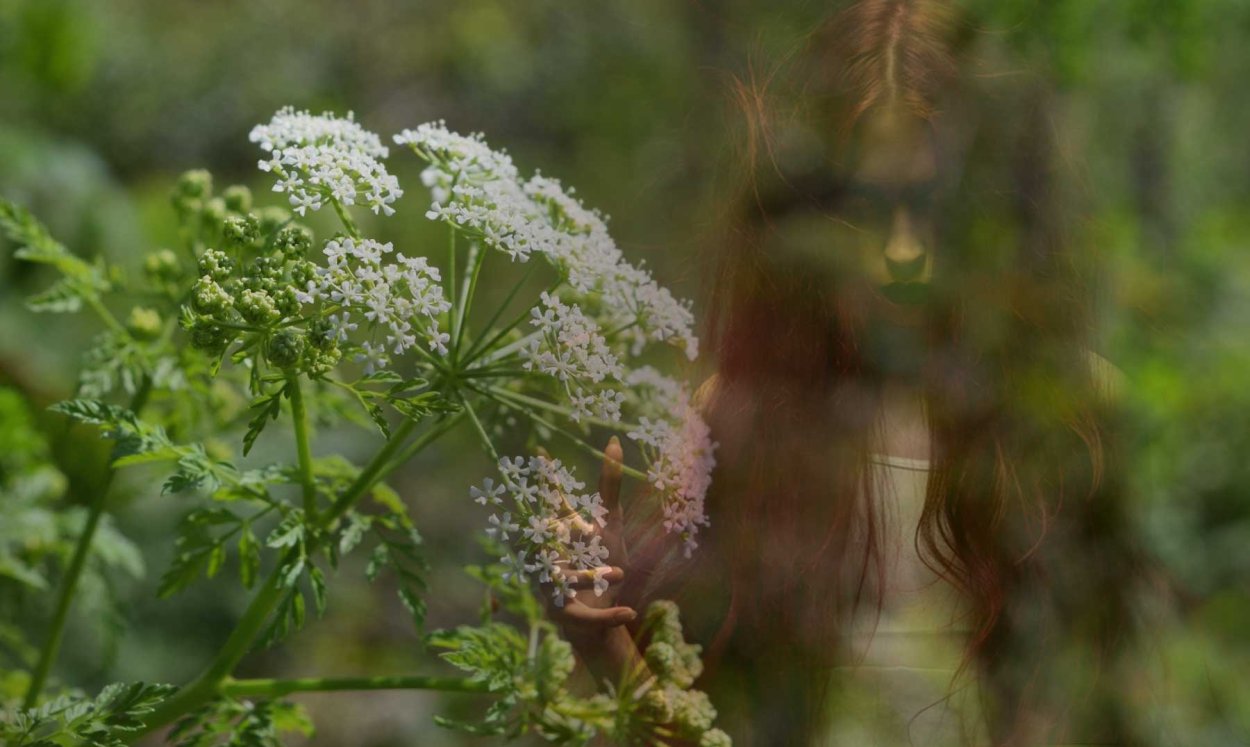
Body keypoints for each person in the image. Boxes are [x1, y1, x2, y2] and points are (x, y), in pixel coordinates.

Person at [553, 1, 1149, 744]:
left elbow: (1114, 699)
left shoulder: (1067, 414)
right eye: (868, 211)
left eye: (932, 208)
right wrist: (609, 641)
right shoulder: (739, 419)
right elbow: (697, 728)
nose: (903, 252)